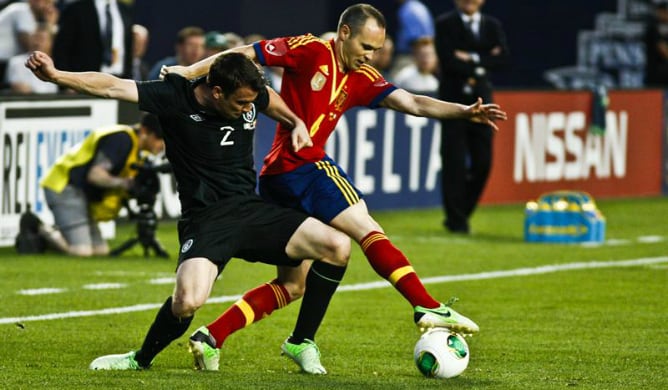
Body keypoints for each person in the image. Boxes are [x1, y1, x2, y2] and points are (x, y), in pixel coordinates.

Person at [168, 2, 506, 374]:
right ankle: (424, 304)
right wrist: (190, 71)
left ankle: (213, 336)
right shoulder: (311, 50)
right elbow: (246, 53)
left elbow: (412, 102)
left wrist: (462, 111)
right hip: (303, 167)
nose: (371, 56)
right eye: (366, 47)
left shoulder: (361, 76)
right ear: (344, 33)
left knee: (293, 284)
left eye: (376, 50)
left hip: (278, 178)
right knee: (366, 228)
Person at [26, 49, 351, 371]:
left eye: (251, 104)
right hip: (206, 218)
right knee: (187, 302)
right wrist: (57, 76)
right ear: (217, 91)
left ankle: (301, 341)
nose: (247, 110)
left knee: (336, 245)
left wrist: (294, 121)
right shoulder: (173, 96)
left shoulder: (247, 93)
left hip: (251, 210)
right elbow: (111, 85)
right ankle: (140, 359)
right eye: (241, 104)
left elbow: (267, 98)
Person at [39, 112, 165, 257]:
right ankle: (41, 229)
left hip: (80, 193)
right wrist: (126, 184)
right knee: (82, 251)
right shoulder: (122, 140)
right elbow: (96, 175)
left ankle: (61, 231)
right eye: (159, 138)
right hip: (64, 186)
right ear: (144, 131)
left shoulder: (138, 150)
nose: (162, 145)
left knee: (100, 251)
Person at [434, 0, 509, 234]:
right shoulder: (445, 24)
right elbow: (448, 60)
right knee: (453, 162)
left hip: (483, 102)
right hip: (452, 102)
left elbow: (503, 58)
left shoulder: (492, 25)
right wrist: (484, 59)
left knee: (483, 162)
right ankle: (456, 221)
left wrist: (471, 59)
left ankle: (461, 212)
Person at [52, 0, 132, 79]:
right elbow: (62, 49)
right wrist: (65, 82)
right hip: (85, 82)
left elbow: (128, 49)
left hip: (120, 81)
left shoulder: (124, 9)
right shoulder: (76, 9)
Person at [0, 0, 58, 87]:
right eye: (45, 2)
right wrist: (50, 24)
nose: (48, 7)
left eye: (50, 3)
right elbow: (30, 44)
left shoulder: (30, 15)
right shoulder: (22, 10)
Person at [5, 22, 58, 94]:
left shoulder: (56, 63)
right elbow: (19, 88)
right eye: (35, 38)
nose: (37, 42)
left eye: (41, 39)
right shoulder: (16, 62)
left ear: (51, 43)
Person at [392, 0, 434, 78]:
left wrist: (418, 56)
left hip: (410, 56)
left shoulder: (408, 9)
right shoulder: (418, 6)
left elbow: (416, 39)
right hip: (421, 54)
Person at [644, 1, 668, 86]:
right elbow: (663, 50)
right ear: (659, 12)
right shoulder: (653, 26)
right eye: (665, 12)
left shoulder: (664, 27)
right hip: (655, 74)